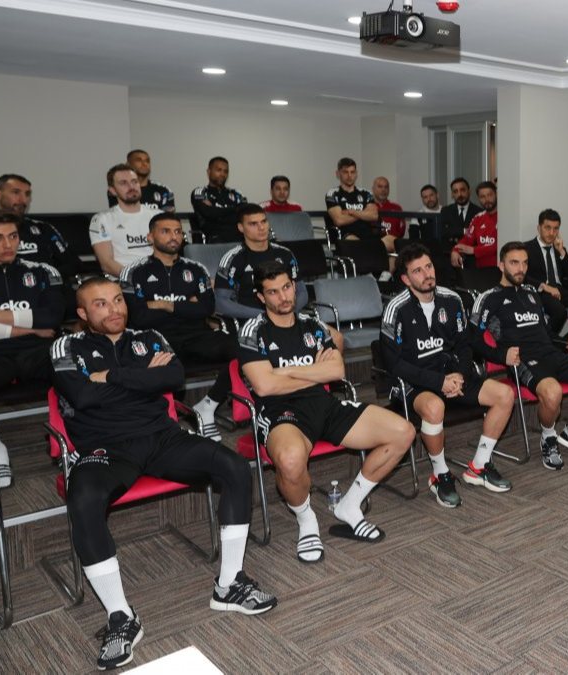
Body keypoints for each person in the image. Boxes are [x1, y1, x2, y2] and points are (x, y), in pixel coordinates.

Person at [52, 276, 277, 671]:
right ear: (83, 313)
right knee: (83, 498)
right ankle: (121, 617)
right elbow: (82, 396)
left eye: (118, 299)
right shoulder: (66, 347)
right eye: (101, 304)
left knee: (233, 467)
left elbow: (173, 378)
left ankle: (229, 585)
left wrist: (110, 376)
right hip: (105, 448)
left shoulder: (150, 336)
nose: (114, 309)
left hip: (163, 438)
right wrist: (143, 378)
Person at [238, 260, 414, 563]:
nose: (283, 297)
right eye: (273, 292)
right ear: (260, 297)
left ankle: (349, 505)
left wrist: (285, 371)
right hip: (281, 411)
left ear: (294, 286)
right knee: (290, 460)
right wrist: (313, 370)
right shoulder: (253, 330)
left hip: (324, 404)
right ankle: (306, 520)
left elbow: (336, 371)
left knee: (403, 432)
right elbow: (265, 387)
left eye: (286, 287)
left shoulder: (314, 324)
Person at [472, 242, 568, 470]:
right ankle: (548, 436)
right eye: (514, 263)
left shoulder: (531, 294)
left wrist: (566, 343)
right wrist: (500, 355)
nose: (520, 269)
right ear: (501, 265)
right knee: (553, 392)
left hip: (553, 356)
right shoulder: (489, 297)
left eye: (524, 263)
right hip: (524, 361)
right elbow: (473, 339)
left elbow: (547, 333)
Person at [379, 243, 516, 507]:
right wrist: (439, 382)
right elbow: (394, 364)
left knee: (504, 394)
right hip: (413, 383)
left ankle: (479, 466)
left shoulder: (452, 300)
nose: (427, 274)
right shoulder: (396, 309)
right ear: (406, 279)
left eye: (428, 266)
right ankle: (440, 474)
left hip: (452, 376)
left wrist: (459, 375)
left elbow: (464, 345)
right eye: (417, 271)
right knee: (434, 407)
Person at [120, 212, 237, 441]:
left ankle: (208, 405)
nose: (174, 236)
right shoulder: (133, 272)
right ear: (150, 237)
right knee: (156, 366)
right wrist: (187, 305)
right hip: (155, 338)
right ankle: (168, 422)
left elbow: (206, 309)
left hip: (196, 335)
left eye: (178, 232)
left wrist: (164, 305)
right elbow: (139, 317)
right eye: (165, 231)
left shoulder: (196, 269)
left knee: (244, 349)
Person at [0, 210, 64, 488]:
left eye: (13, 236)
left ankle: (76, 439)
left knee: (76, 369)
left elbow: (52, 317)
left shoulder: (43, 270)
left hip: (38, 350)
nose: (8, 244)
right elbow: (39, 321)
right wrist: (30, 326)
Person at [215, 204, 309, 321]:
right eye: (253, 224)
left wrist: (288, 311)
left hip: (286, 316)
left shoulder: (285, 254)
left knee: (328, 332)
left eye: (264, 221)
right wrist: (266, 315)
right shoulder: (232, 259)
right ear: (241, 227)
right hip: (250, 320)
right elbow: (220, 302)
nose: (261, 227)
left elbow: (302, 292)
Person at [0, 173, 79, 287]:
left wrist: (45, 276)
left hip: (45, 288)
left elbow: (73, 263)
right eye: (16, 192)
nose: (23, 200)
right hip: (0, 289)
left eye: (27, 194)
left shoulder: (43, 228)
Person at [89, 164, 160, 277]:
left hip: (159, 277)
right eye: (123, 183)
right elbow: (107, 264)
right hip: (123, 280)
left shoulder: (159, 216)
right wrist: (136, 278)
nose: (131, 186)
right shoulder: (102, 219)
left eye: (134, 181)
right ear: (113, 190)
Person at [523, 209, 568, 337]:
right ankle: (545, 340)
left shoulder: (559, 248)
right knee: (560, 312)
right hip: (541, 291)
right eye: (547, 228)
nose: (551, 233)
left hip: (560, 289)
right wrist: (544, 286)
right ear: (539, 228)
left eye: (556, 229)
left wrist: (562, 252)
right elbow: (522, 276)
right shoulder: (526, 248)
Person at [324, 158, 381, 245]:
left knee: (392, 241)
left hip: (367, 234)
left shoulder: (366, 193)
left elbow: (374, 216)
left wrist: (352, 212)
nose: (349, 176)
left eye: (352, 172)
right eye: (345, 172)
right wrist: (363, 213)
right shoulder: (333, 194)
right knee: (358, 244)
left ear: (356, 173)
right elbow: (339, 220)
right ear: (338, 174)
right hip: (345, 235)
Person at [190, 156, 247, 243]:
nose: (222, 174)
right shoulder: (200, 192)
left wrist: (217, 212)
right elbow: (208, 213)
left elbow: (245, 213)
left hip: (238, 238)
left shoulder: (236, 193)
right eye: (218, 170)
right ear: (209, 172)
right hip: (213, 240)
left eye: (225, 171)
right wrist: (235, 209)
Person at [107, 149, 174, 211]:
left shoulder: (164, 190)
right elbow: (120, 214)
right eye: (139, 160)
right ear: (128, 164)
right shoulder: (117, 190)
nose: (144, 164)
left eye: (147, 161)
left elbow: (168, 217)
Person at [451, 181, 498, 270]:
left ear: (496, 194)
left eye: (489, 195)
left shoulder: (505, 218)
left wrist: (474, 250)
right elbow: (467, 239)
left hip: (500, 268)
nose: (486, 199)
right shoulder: (477, 218)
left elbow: (500, 245)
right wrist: (455, 250)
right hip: (480, 269)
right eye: (482, 197)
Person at [437, 177, 481, 251]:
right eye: (455, 191)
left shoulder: (479, 211)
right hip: (449, 252)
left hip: (471, 253)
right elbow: (444, 231)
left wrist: (454, 231)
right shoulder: (446, 210)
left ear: (469, 191)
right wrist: (464, 231)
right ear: (452, 194)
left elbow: (477, 234)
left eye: (462, 190)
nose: (459, 194)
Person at [371, 176, 406, 251]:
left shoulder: (397, 208)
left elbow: (401, 232)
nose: (383, 190)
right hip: (372, 248)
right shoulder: (367, 207)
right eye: (380, 186)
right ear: (373, 189)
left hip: (393, 249)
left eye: (386, 187)